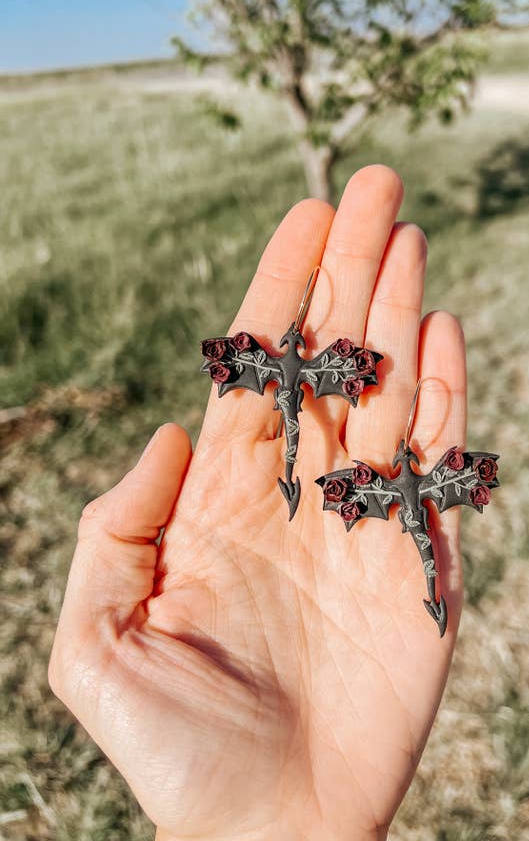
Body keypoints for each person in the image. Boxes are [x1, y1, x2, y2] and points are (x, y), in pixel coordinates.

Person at [48, 165, 468, 841]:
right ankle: (305, 476)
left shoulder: (295, 366)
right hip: (297, 411)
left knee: (350, 474)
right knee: (304, 443)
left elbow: (318, 370)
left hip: (323, 427)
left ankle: (318, 483)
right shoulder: (281, 366)